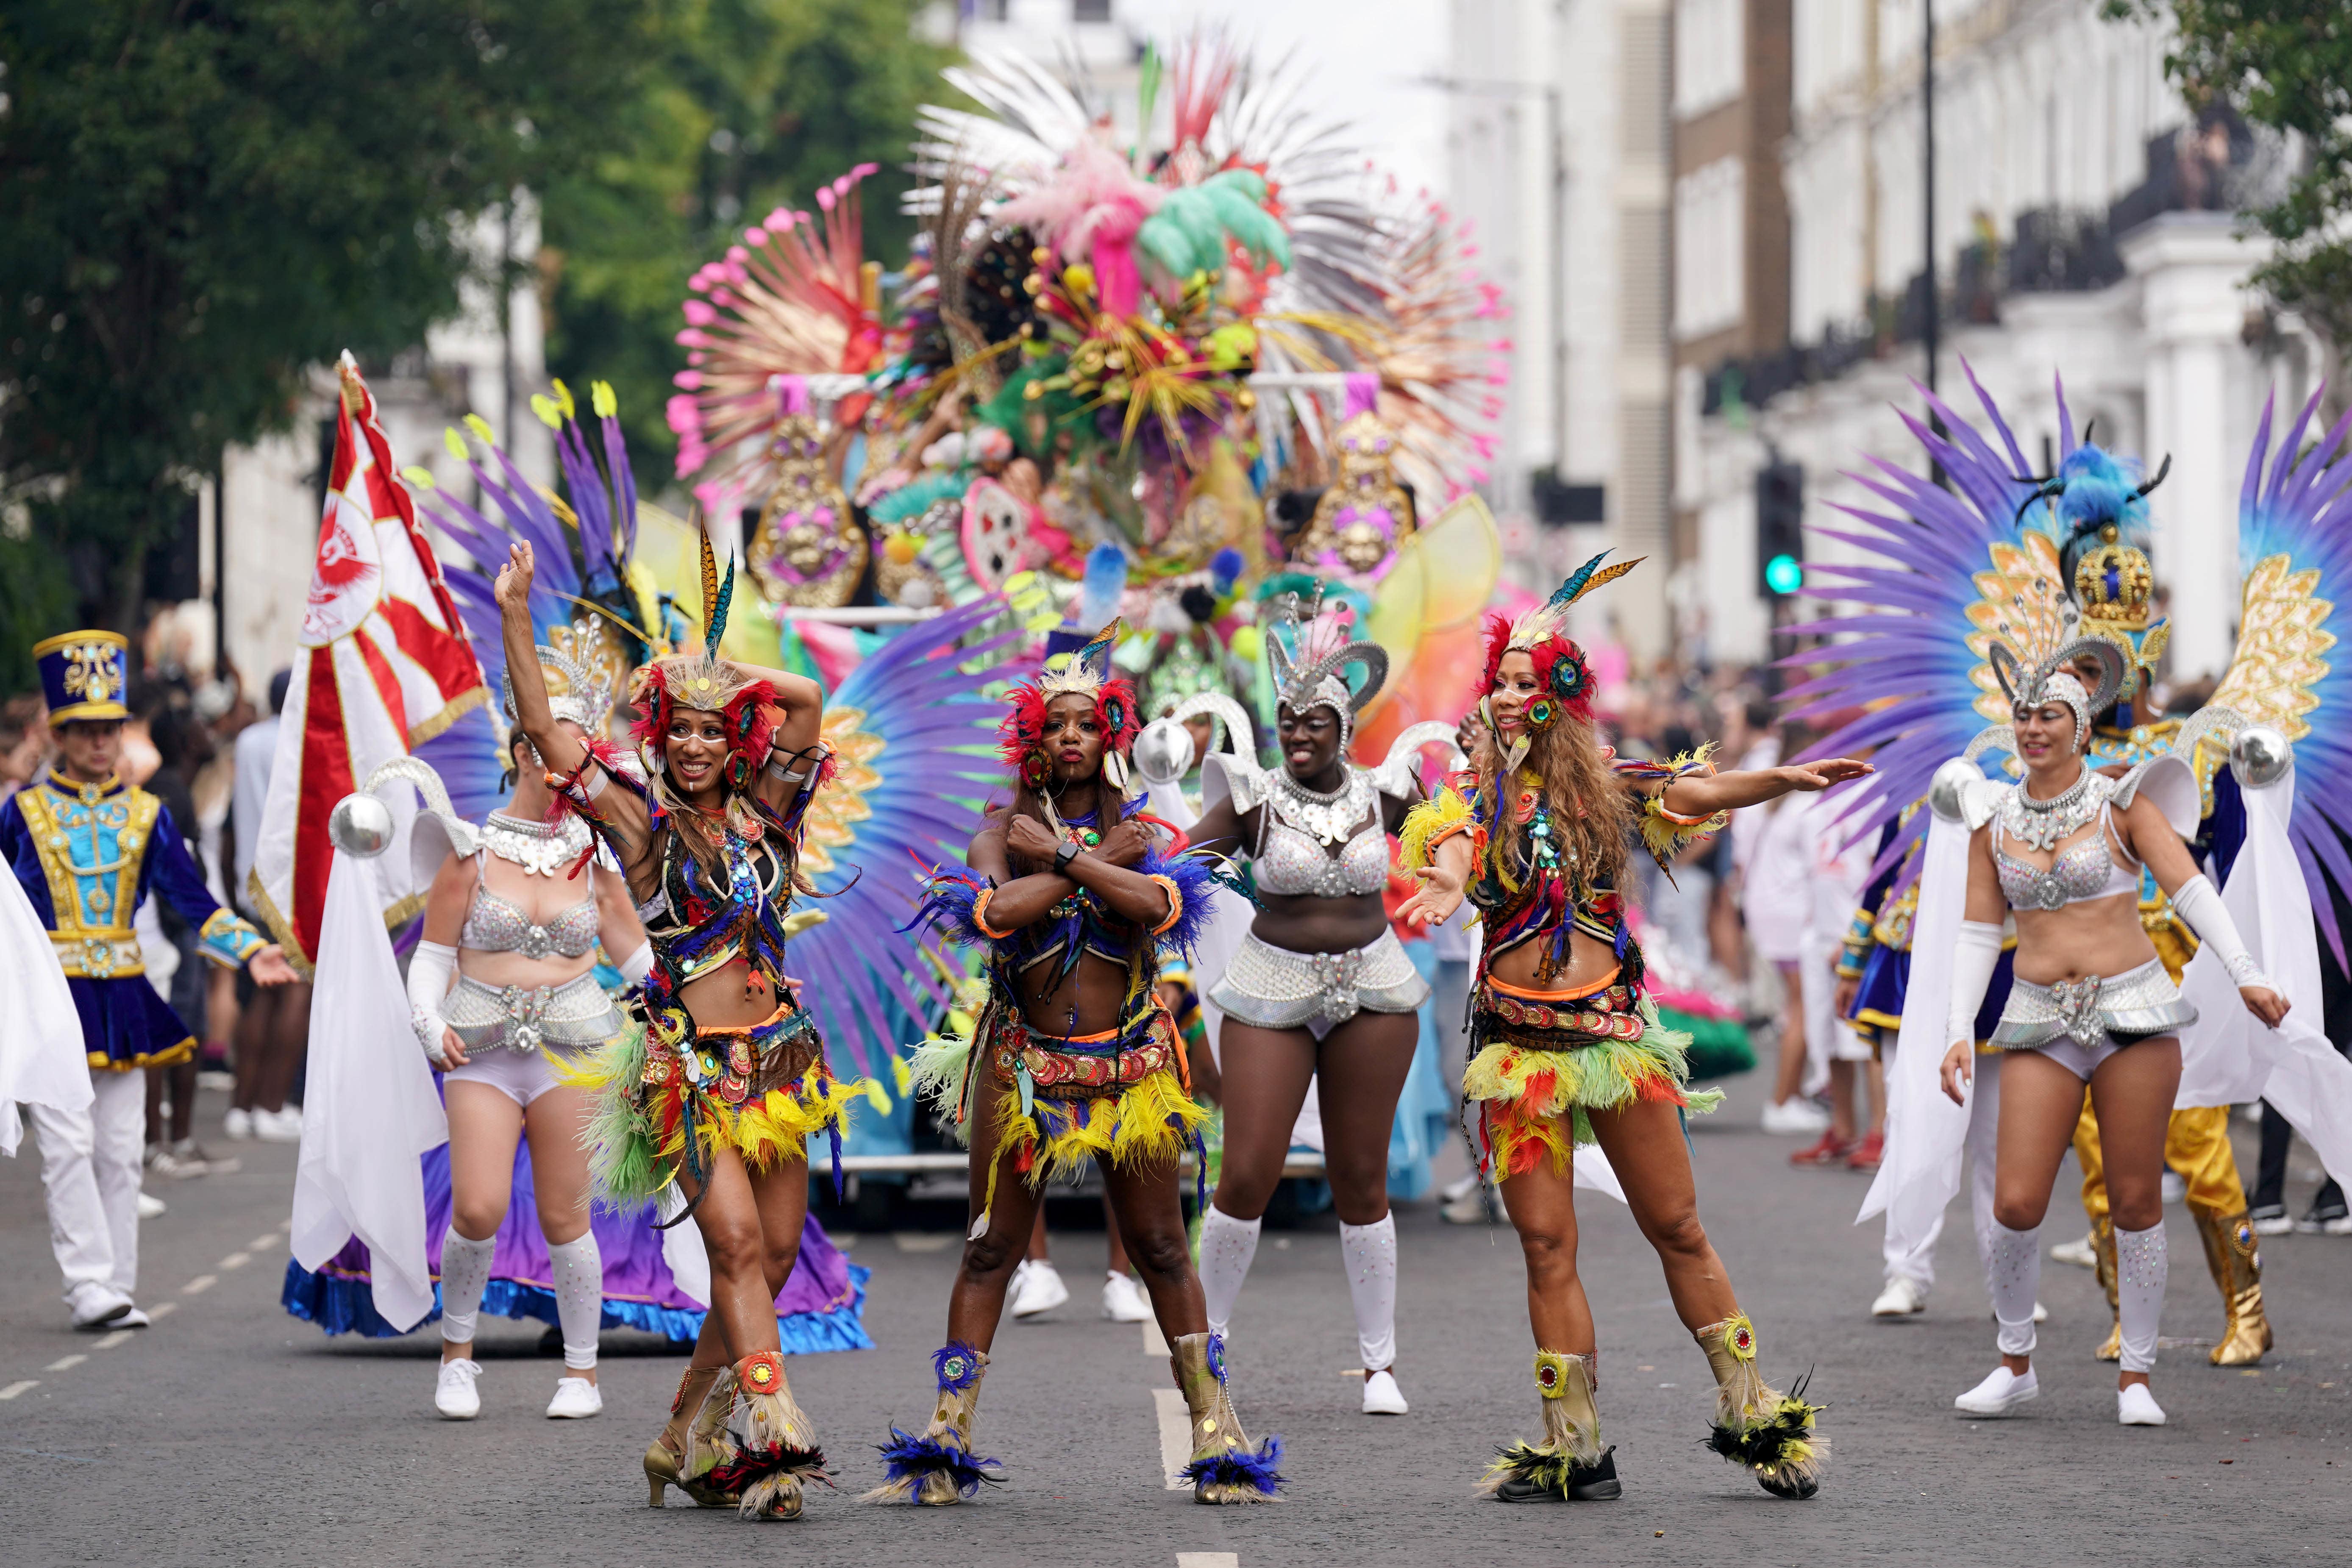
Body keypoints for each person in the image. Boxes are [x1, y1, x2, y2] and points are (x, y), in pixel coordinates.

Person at [1396, 553, 1868, 1502]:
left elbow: (1695, 796)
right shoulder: (1472, 799)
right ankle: (1575, 1443)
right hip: (1519, 1049)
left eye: (1532, 683)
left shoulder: (1607, 785)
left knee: (1678, 1225)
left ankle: (1755, 1413)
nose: (1513, 697)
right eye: (1503, 684)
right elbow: (1448, 852)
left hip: (1612, 1037)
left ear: (1563, 693)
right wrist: (1447, 880)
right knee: (1546, 1245)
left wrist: (1775, 777)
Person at [884, 622, 1280, 1506]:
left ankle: (1216, 1426)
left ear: (1110, 735)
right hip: (1023, 1069)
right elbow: (995, 913)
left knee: (1161, 1247)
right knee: (990, 1246)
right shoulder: (1002, 824)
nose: (1070, 736)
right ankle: (948, 1433)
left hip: (1131, 1070)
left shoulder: (1142, 826)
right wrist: (1088, 863)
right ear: (1034, 738)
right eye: (1054, 724)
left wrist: (1062, 856)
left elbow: (1155, 901)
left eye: (1086, 723)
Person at [506, 537, 854, 1520]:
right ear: (659, 737)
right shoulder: (642, 827)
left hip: (783, 1063)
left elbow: (807, 705)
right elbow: (545, 729)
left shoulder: (771, 815)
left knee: (776, 1258)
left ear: (735, 736)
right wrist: (515, 614)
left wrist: (722, 673)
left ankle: (679, 1433)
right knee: (736, 1247)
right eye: (682, 729)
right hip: (688, 1070)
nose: (697, 744)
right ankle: (770, 1441)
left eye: (715, 729)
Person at [1932, 637, 2286, 1427]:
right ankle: (2014, 1363)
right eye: (2024, 715)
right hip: (2037, 1018)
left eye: (2051, 715)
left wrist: (2247, 973)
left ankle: (2136, 1378)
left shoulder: (2125, 801)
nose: (2034, 729)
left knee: (2134, 1199)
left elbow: (2191, 891)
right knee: (2018, 1203)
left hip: (2133, 1013)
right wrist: (1959, 1029)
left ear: (2082, 728)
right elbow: (1977, 934)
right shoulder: (1991, 819)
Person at [1167, 592, 1453, 1417]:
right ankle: (1208, 1341)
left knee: (1361, 1176)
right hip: (1271, 980)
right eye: (1287, 718)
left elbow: (1445, 833)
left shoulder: (1385, 791)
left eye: (1313, 720)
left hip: (1374, 985)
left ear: (1343, 724)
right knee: (1248, 1169)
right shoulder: (1253, 797)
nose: (1297, 732)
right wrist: (1141, 890)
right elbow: (1182, 867)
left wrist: (1454, 867)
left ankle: (1380, 1365)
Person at [3, 631, 297, 1329]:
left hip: (127, 997)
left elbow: (191, 899)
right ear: (62, 735)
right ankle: (88, 1285)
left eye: (111, 730)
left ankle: (117, 1284)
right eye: (86, 732)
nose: (100, 744)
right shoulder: (21, 816)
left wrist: (250, 949)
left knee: (118, 1150)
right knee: (68, 1148)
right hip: (56, 1000)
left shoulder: (148, 815)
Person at [406, 646, 653, 1420]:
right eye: (556, 748)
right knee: (476, 1209)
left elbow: (638, 956)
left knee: (566, 1216)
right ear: (524, 749)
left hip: (577, 1049)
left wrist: (730, 985)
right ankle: (457, 1358)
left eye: (582, 751)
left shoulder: (597, 855)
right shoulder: (468, 852)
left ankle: (581, 1373)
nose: (572, 765)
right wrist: (426, 1020)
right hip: (479, 1048)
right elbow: (431, 958)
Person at [227, 668, 307, 1142]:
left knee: (258, 992)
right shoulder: (301, 741)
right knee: (295, 989)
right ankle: (273, 1105)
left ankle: (243, 1104)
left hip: (251, 879)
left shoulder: (248, 740)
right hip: (292, 881)